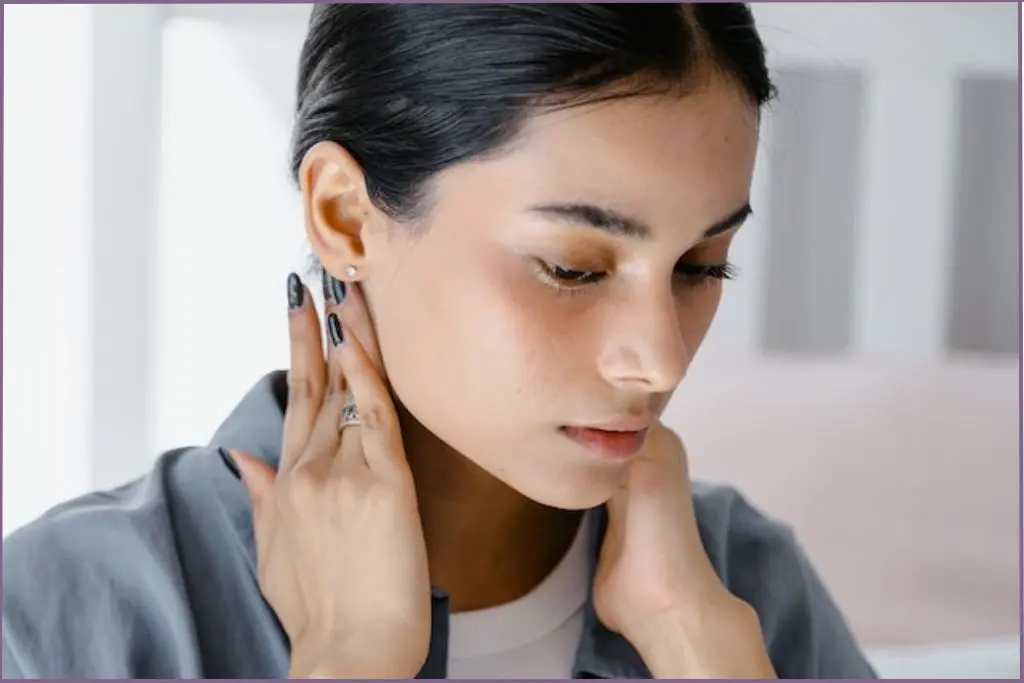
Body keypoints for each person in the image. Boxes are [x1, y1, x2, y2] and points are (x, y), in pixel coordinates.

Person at [2, 4, 877, 679]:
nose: (661, 360)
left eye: (701, 267)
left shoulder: (750, 594)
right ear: (344, 214)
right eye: (572, 266)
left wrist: (700, 652)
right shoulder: (60, 617)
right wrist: (353, 657)